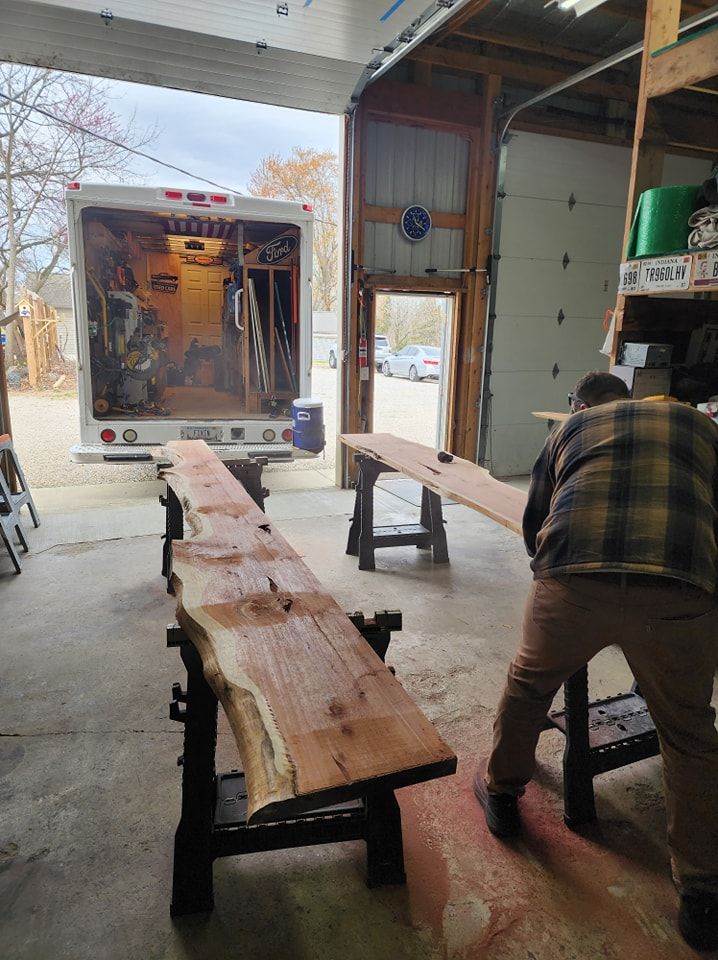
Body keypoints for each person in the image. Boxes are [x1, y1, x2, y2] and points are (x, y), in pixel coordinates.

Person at [473, 371, 718, 952]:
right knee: (688, 731)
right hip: (680, 583)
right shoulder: (697, 424)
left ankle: (503, 794)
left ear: (581, 404)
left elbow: (535, 522)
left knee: (530, 684)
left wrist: (558, 582)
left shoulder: (573, 427)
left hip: (575, 576)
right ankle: (704, 894)